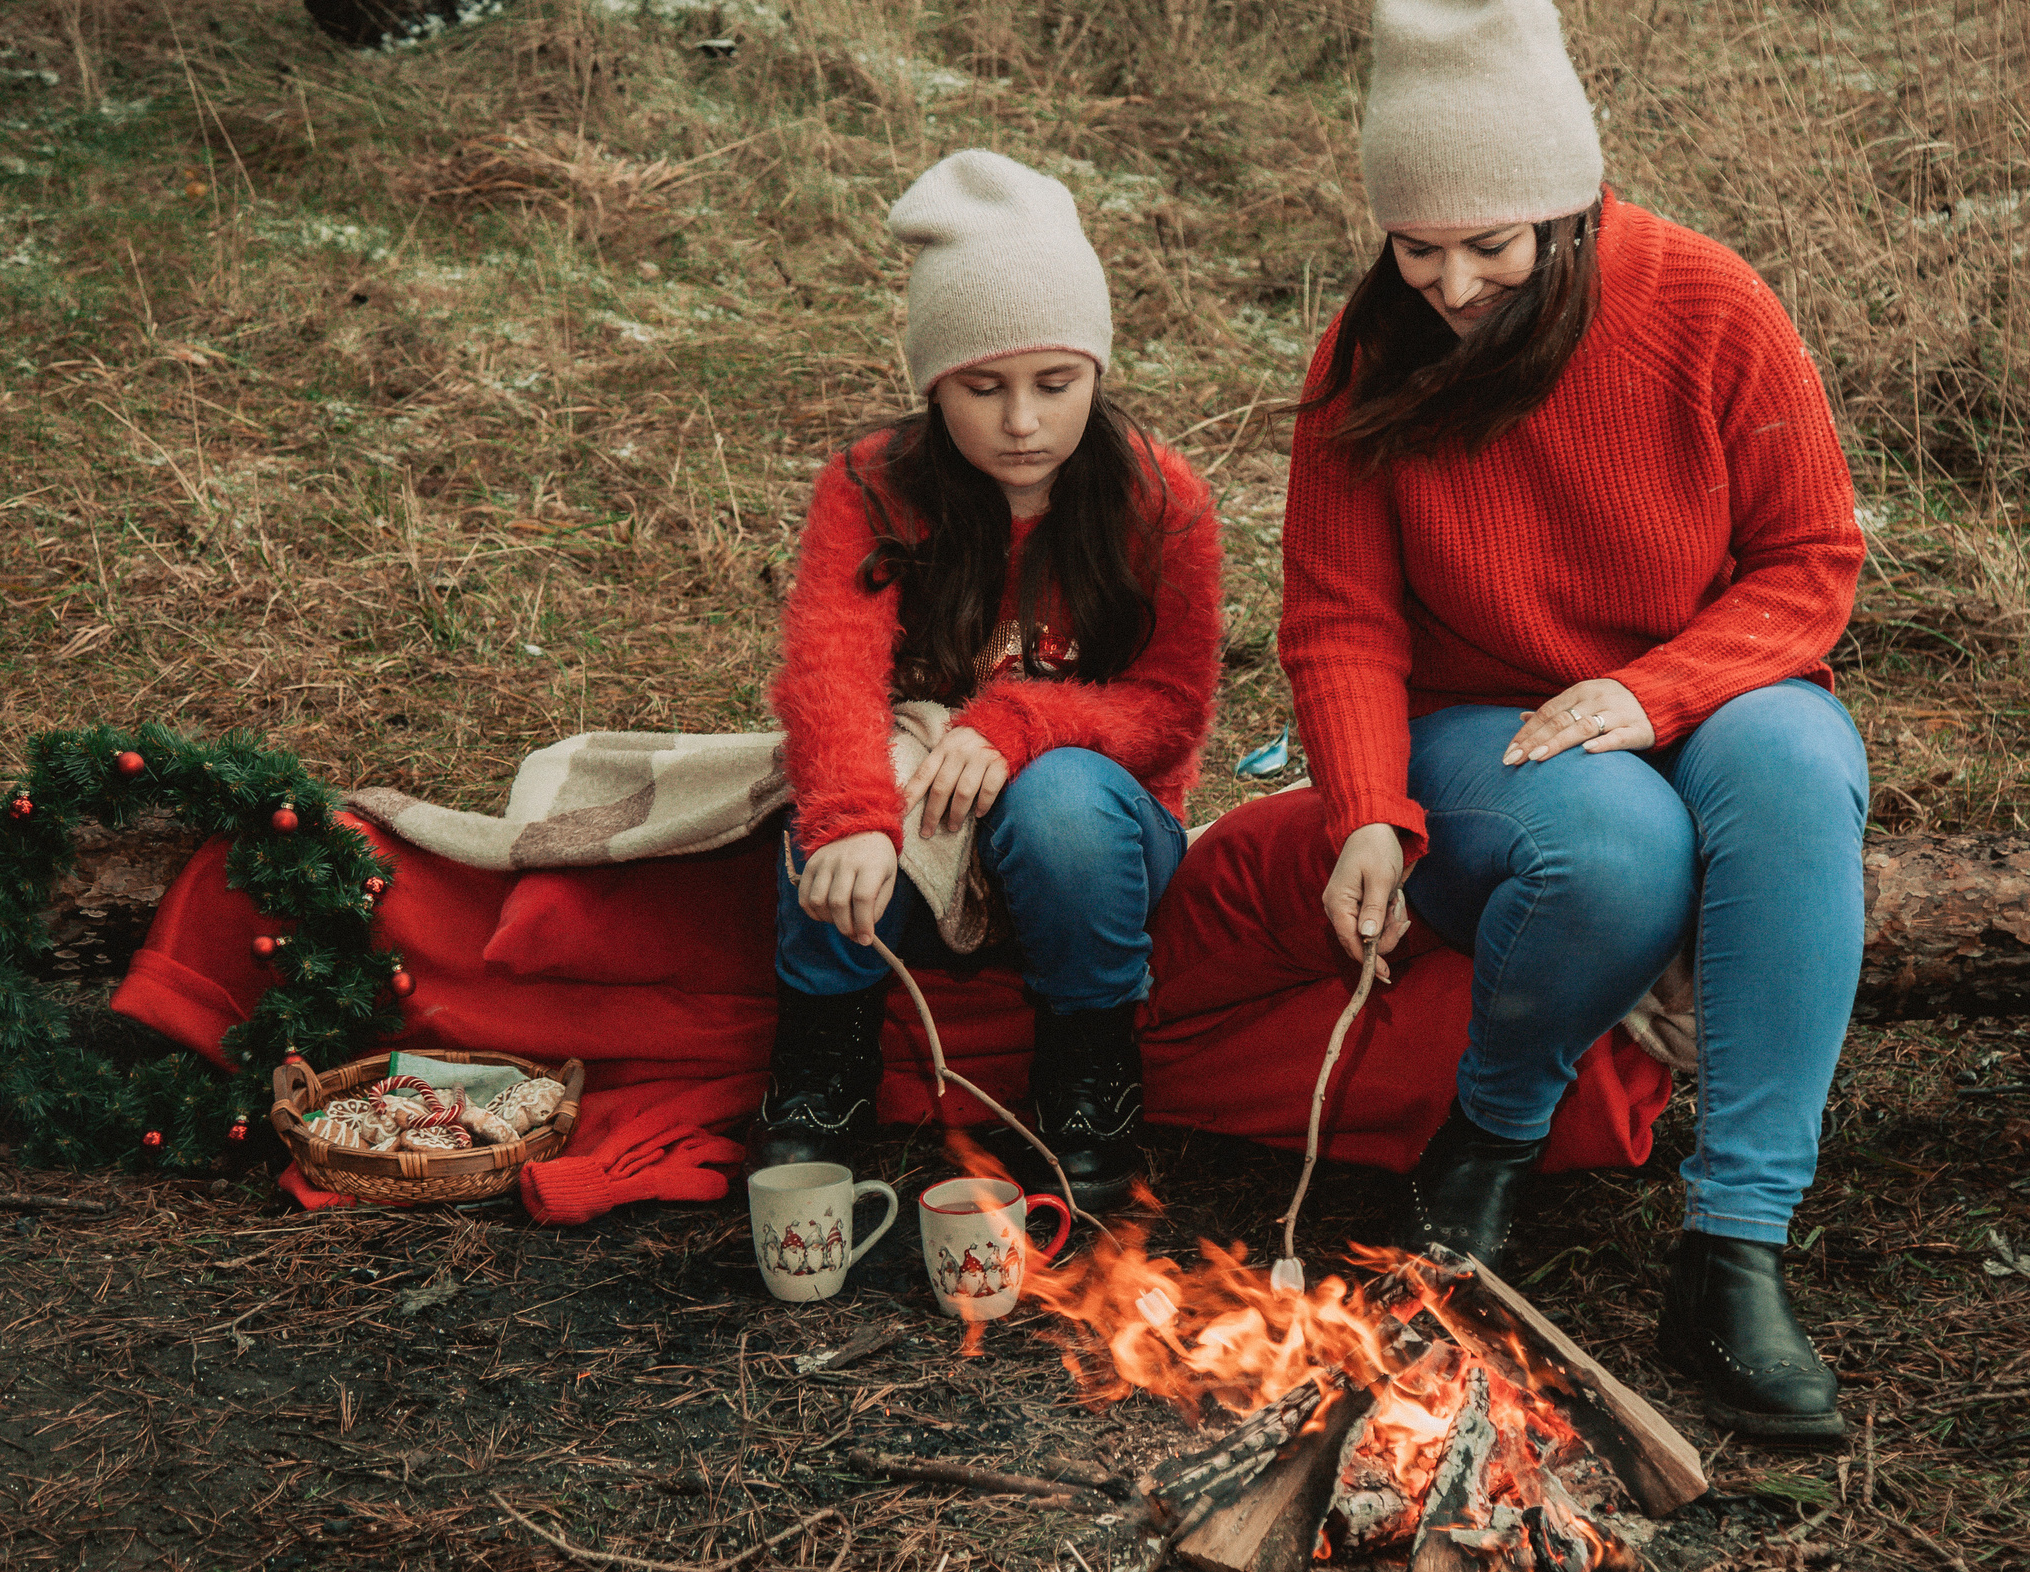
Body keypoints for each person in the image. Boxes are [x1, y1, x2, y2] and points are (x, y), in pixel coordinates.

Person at [1277, 0, 1868, 1438]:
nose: (1457, 284)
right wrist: (1364, 805)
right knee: (1617, 850)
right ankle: (1491, 1131)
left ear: (1578, 206)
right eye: (1420, 249)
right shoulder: (1373, 355)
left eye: (1495, 245)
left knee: (1797, 764)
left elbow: (1813, 559)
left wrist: (1652, 686)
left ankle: (1734, 1247)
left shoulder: (1709, 304)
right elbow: (1341, 616)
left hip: (1701, 683)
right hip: (1485, 722)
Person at [756, 150, 1223, 1212]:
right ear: (932, 384)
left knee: (1058, 801)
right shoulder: (874, 484)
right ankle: (822, 1074)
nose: (1022, 422)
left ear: (1096, 374)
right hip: (916, 843)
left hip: (1092, 848)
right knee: (836, 776)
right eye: (983, 387)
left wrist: (1017, 722)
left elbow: (1169, 715)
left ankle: (1087, 1075)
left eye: (1054, 385)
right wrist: (850, 820)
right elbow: (829, 671)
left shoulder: (1159, 500)